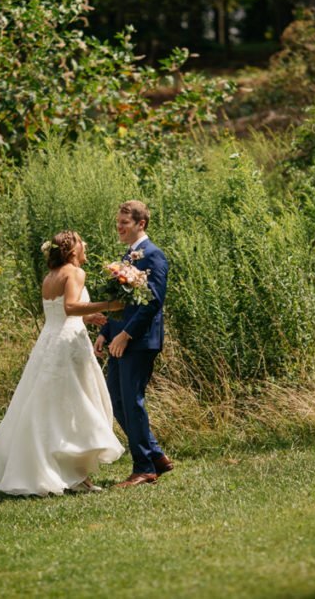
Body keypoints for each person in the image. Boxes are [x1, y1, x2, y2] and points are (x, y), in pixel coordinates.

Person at [0, 230, 124, 496]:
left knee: (51, 407)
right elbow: (70, 308)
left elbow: (58, 311)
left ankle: (68, 473)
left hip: (49, 342)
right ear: (72, 250)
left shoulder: (50, 276)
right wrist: (111, 305)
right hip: (68, 346)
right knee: (76, 407)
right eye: (80, 241)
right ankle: (75, 474)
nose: (85, 243)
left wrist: (88, 318)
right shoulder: (75, 273)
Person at [95, 200, 174, 488]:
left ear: (141, 224)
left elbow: (153, 301)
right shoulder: (126, 257)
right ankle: (155, 455)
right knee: (116, 402)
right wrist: (107, 330)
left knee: (132, 402)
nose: (119, 227)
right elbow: (124, 303)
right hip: (118, 339)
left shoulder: (154, 256)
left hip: (139, 342)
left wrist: (126, 335)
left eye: (124, 223)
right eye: (118, 222)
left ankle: (144, 468)